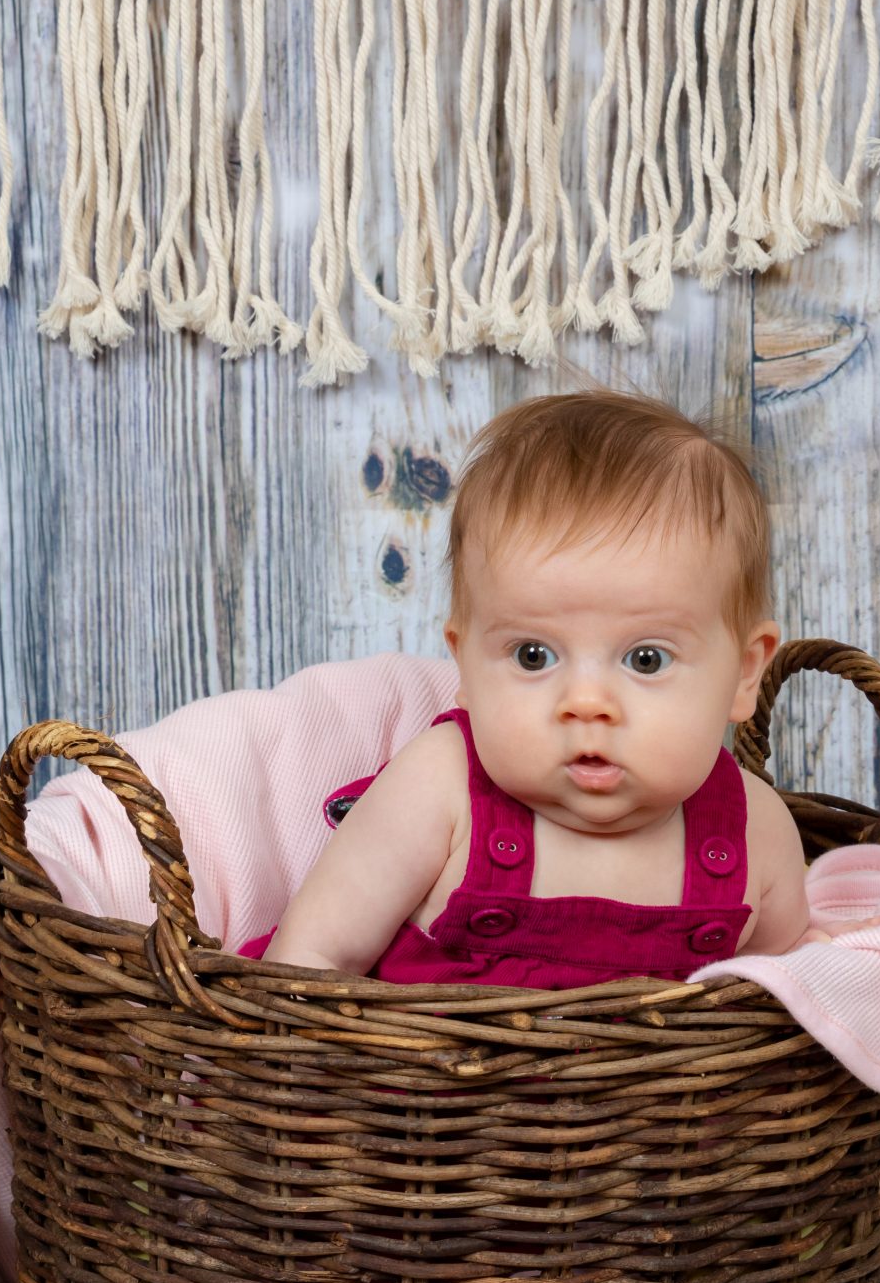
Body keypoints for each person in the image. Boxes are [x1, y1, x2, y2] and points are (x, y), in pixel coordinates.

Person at [259, 390, 813, 986]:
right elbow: (308, 961)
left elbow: (783, 998)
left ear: (744, 673)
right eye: (533, 655)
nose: (586, 704)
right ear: (466, 666)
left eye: (646, 660)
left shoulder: (756, 831)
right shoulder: (439, 789)